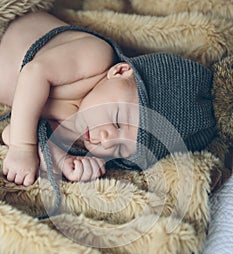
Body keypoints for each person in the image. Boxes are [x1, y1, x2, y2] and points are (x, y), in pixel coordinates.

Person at [0, 11, 217, 187]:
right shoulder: (95, 57)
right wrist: (23, 147)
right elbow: (34, 73)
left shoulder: (82, 128)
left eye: (120, 149)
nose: (106, 139)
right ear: (120, 72)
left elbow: (13, 130)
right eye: (116, 120)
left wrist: (61, 161)